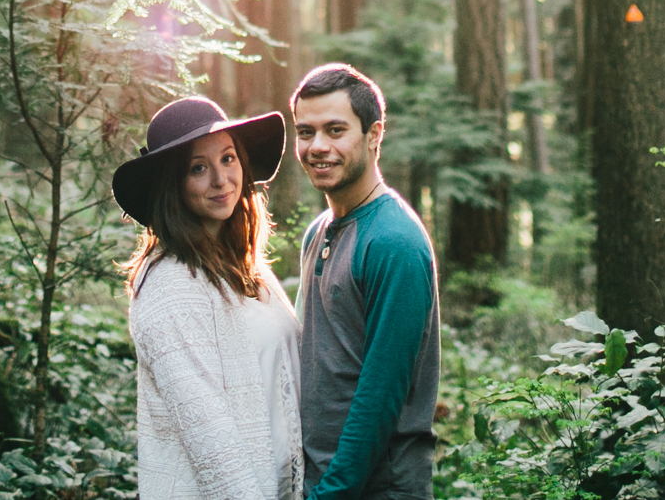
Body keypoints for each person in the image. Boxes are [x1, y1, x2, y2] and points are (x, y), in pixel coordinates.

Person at [115, 95, 302, 500]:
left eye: (228, 159)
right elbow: (211, 441)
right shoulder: (170, 289)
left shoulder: (247, 267)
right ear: (173, 184)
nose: (221, 180)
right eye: (198, 168)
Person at [289, 64, 440, 500]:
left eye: (336, 130)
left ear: (374, 135)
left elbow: (381, 395)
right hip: (320, 479)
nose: (318, 147)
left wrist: (332, 492)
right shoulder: (317, 231)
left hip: (378, 487)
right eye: (305, 132)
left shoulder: (395, 241)